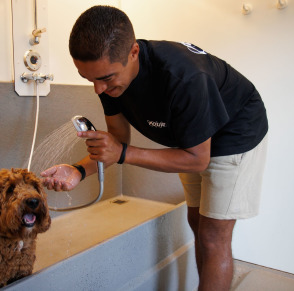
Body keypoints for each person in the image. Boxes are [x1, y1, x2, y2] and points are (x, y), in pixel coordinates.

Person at [41, 5, 268, 291]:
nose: (98, 89)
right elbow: (117, 140)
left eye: (106, 78)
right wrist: (78, 171)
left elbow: (197, 160)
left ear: (133, 53)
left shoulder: (184, 77)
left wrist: (122, 154)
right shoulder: (110, 82)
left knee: (213, 236)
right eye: (89, 79)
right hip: (190, 141)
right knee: (196, 220)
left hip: (236, 130)